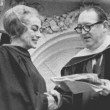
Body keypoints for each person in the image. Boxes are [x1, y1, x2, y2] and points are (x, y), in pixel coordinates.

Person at [0, 5, 60, 110]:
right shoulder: (5, 56)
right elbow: (13, 99)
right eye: (34, 29)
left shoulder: (21, 56)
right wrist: (47, 100)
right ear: (18, 27)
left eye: (40, 30)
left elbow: (28, 93)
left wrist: (49, 95)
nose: (39, 35)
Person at [52, 3, 110, 110]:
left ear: (105, 26)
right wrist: (57, 99)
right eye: (80, 28)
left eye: (88, 26)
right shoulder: (74, 63)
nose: (83, 32)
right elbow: (69, 98)